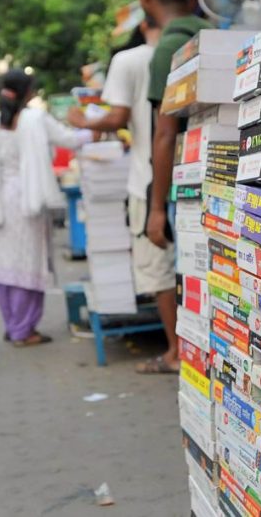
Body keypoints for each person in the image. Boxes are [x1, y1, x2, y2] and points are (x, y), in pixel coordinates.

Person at [66, 18, 180, 365]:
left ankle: (175, 351)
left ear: (146, 0)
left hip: (149, 180)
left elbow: (117, 117)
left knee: (158, 269)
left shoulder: (129, 60)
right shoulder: (197, 41)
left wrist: (83, 120)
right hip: (193, 172)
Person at [0, 69, 93, 346]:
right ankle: (23, 330)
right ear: (28, 92)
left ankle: (13, 324)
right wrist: (93, 128)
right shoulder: (35, 119)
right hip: (29, 201)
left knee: (5, 266)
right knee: (29, 263)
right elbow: (71, 140)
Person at [134, 0, 211, 374]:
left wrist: (157, 208)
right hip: (221, 174)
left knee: (192, 278)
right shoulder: (212, 32)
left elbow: (163, 134)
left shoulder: (166, 49)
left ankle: (189, 358)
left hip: (188, 184)